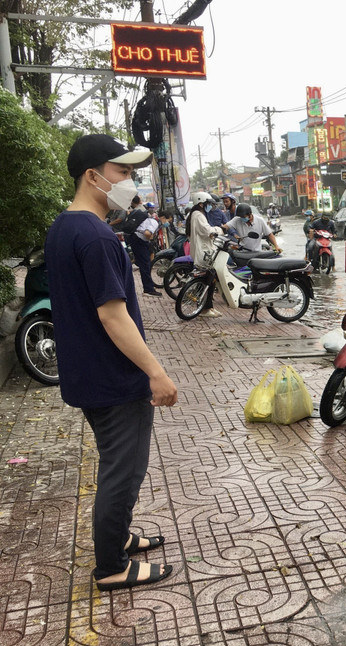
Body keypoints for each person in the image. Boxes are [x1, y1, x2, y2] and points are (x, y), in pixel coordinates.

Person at [46, 133, 178, 591]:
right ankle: (111, 567)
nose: (129, 181)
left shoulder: (66, 226)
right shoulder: (98, 236)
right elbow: (113, 315)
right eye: (122, 172)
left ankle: (119, 536)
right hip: (113, 378)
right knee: (123, 472)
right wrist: (155, 372)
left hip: (89, 373)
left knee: (115, 464)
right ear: (93, 176)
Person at [185, 190, 224, 318]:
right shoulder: (198, 215)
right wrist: (220, 230)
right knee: (209, 280)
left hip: (202, 250)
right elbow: (206, 231)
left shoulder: (195, 214)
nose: (210, 206)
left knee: (210, 280)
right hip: (204, 252)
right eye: (208, 203)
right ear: (201, 203)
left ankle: (208, 307)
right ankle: (205, 309)